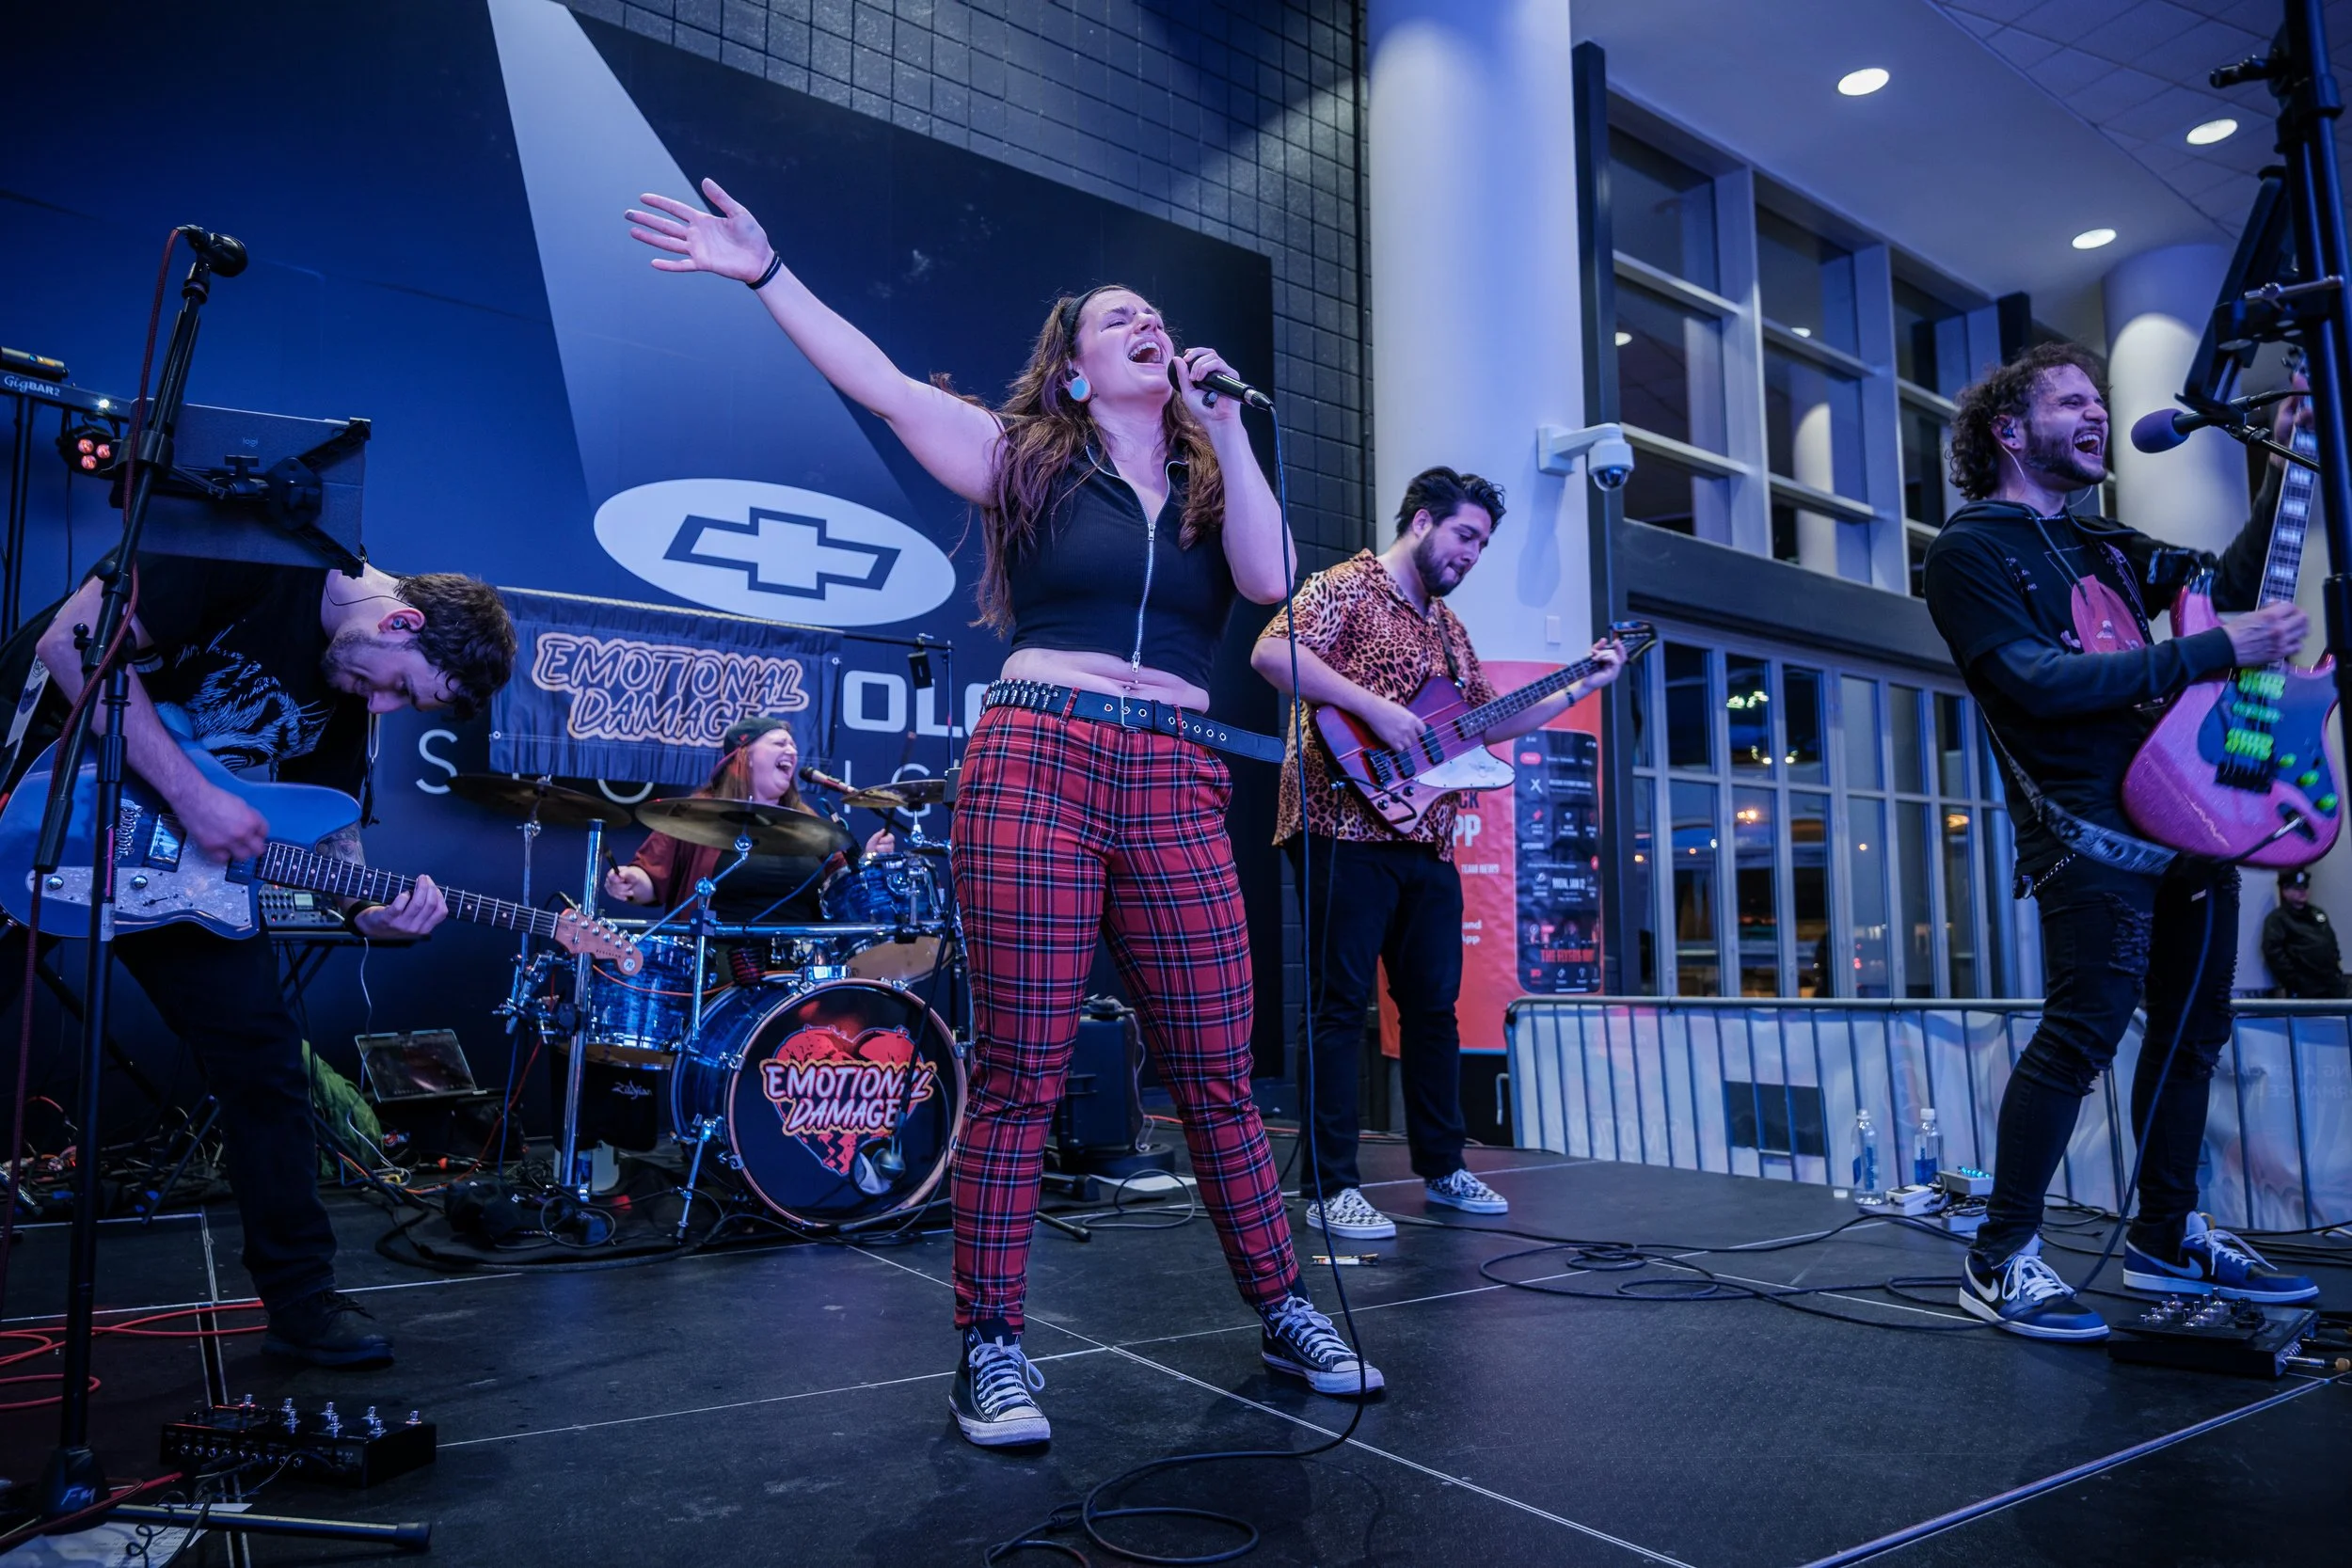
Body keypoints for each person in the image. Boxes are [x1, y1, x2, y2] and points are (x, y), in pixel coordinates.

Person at [628, 178, 1379, 1449]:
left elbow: (1267, 580)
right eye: (1120, 318)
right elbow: (881, 383)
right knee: (1025, 1066)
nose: (1149, 322)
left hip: (1178, 772)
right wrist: (765, 273)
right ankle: (991, 1343)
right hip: (1037, 757)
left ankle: (1285, 1303)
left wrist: (1228, 428)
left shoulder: (1209, 481)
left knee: (1214, 1069)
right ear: (1077, 371)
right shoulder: (1027, 461)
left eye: (1158, 315)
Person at [0, 550, 516, 1365]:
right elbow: (70, 643)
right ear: (403, 621)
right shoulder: (258, 556)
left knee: (266, 1066)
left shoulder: (353, 706)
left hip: (173, 879)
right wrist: (195, 794)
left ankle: (302, 1302)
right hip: (41, 807)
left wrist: (365, 911)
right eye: (399, 686)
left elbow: (330, 835)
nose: (380, 703)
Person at [1921, 343, 2318, 1341]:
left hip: (2186, 813)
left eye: (2100, 399)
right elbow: (2031, 680)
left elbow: (2223, 587)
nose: (2096, 414)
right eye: (2071, 402)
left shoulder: (2099, 541)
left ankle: (2164, 1232)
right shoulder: (1971, 548)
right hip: (2087, 828)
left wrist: (2284, 464)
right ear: (2008, 431)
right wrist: (2213, 649)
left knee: (2193, 1040)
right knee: (2079, 1036)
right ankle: (2000, 1253)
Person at [1250, 467, 1622, 1240]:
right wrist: (1374, 707)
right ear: (1421, 521)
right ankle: (1328, 1186)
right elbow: (1271, 653)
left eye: (1484, 544)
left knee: (1432, 1010)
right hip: (1339, 823)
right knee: (1339, 1007)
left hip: (1425, 834)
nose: (1473, 554)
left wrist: (1586, 678)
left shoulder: (1450, 629)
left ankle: (1446, 1166)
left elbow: (1487, 722)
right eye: (1465, 535)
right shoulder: (1345, 585)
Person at [601, 714, 888, 927]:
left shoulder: (807, 820)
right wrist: (629, 881)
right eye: (779, 743)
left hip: (798, 974)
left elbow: (841, 889)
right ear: (745, 756)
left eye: (793, 746)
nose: (792, 751)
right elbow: (651, 877)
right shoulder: (698, 814)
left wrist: (868, 862)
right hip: (721, 964)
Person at [2262, 868, 2347, 999]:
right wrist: (2294, 980)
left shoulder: (2317, 914)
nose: (2302, 891)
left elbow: (2330, 943)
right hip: (2305, 987)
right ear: (2285, 891)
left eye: (2305, 887)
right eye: (2297, 888)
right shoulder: (2278, 919)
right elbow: (2273, 951)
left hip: (2331, 983)